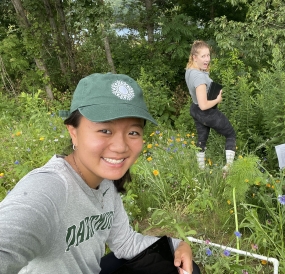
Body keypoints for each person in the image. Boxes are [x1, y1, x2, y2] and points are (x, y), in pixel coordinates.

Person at [0, 73, 199, 274]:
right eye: (105, 130)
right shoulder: (49, 188)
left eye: (133, 132)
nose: (121, 147)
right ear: (73, 132)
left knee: (181, 266)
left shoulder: (105, 185)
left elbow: (126, 243)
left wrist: (179, 245)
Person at [185, 40, 236, 170]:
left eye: (208, 55)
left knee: (202, 139)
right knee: (230, 134)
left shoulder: (190, 70)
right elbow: (203, 105)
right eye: (203, 56)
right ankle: (228, 168)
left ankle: (201, 170)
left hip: (195, 110)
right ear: (194, 57)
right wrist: (217, 99)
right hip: (206, 112)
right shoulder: (199, 78)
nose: (207, 59)